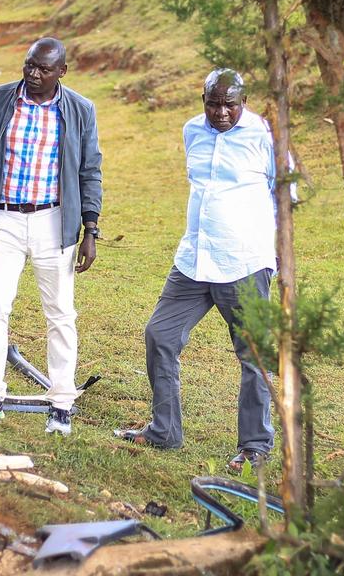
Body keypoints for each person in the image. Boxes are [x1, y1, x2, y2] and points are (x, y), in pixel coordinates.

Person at [114, 68, 276, 474]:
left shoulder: (266, 136)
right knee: (160, 334)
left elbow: (285, 195)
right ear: (202, 101)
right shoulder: (192, 131)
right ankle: (165, 431)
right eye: (213, 103)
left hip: (243, 261)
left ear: (244, 102)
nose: (221, 113)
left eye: (230, 105)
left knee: (254, 354)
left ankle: (255, 446)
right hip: (194, 259)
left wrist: (278, 257)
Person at [0, 37, 103, 436]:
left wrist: (90, 229)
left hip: (54, 222)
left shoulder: (80, 110)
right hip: (2, 217)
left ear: (61, 72)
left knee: (59, 313)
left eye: (43, 68)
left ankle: (60, 403)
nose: (34, 74)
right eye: (29, 65)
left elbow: (90, 171)